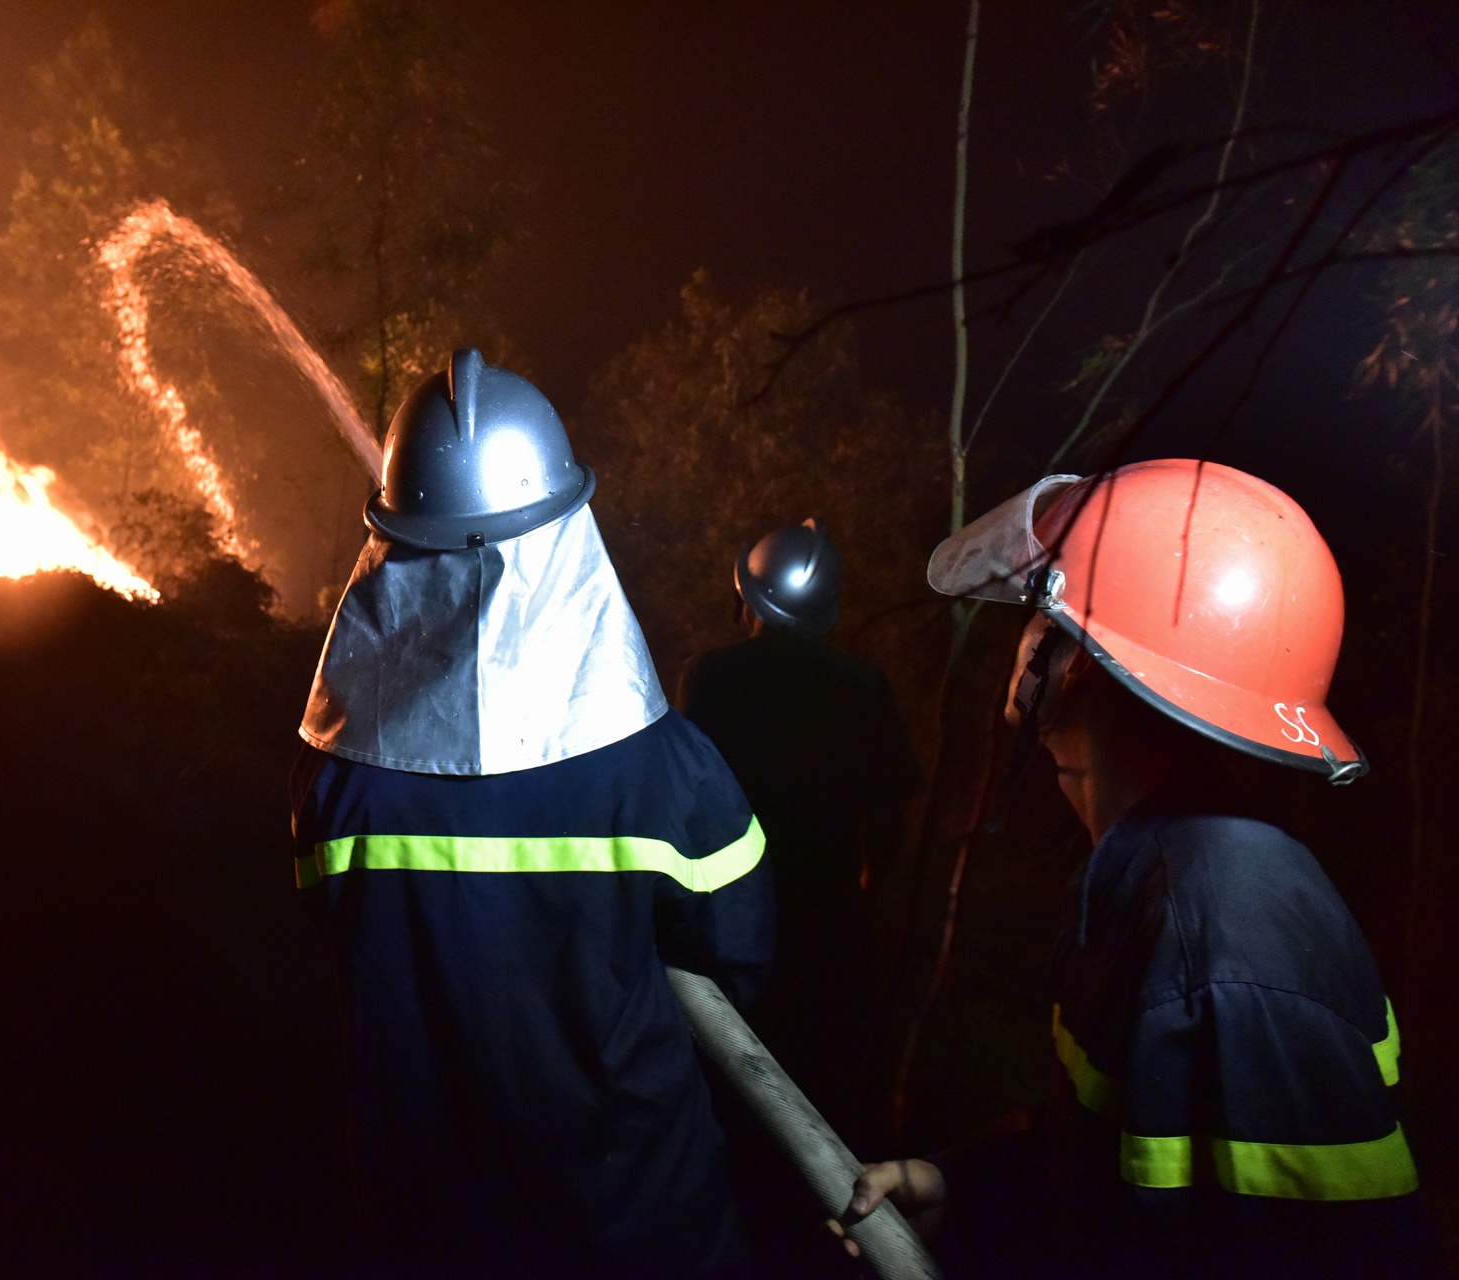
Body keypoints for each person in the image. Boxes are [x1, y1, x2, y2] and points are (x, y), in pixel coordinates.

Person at [845, 459, 1447, 1279]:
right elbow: (1125, 1169)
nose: (1020, 638)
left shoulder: (1227, 939)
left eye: (1039, 613)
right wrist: (967, 1190)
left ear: (1075, 662)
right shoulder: (1155, 879)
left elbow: (1320, 1254)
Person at [291, 349, 774, 1279]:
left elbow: (337, 934)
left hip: (426, 1217)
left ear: (394, 544)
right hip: (634, 1217)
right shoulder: (665, 773)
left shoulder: (334, 783)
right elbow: (737, 957)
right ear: (565, 528)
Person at [675, 519, 920, 1140]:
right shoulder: (863, 686)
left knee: (732, 1097)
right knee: (824, 1097)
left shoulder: (710, 677)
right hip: (830, 924)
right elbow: (888, 813)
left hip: (730, 918)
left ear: (748, 598)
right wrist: (865, 887)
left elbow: (685, 802)